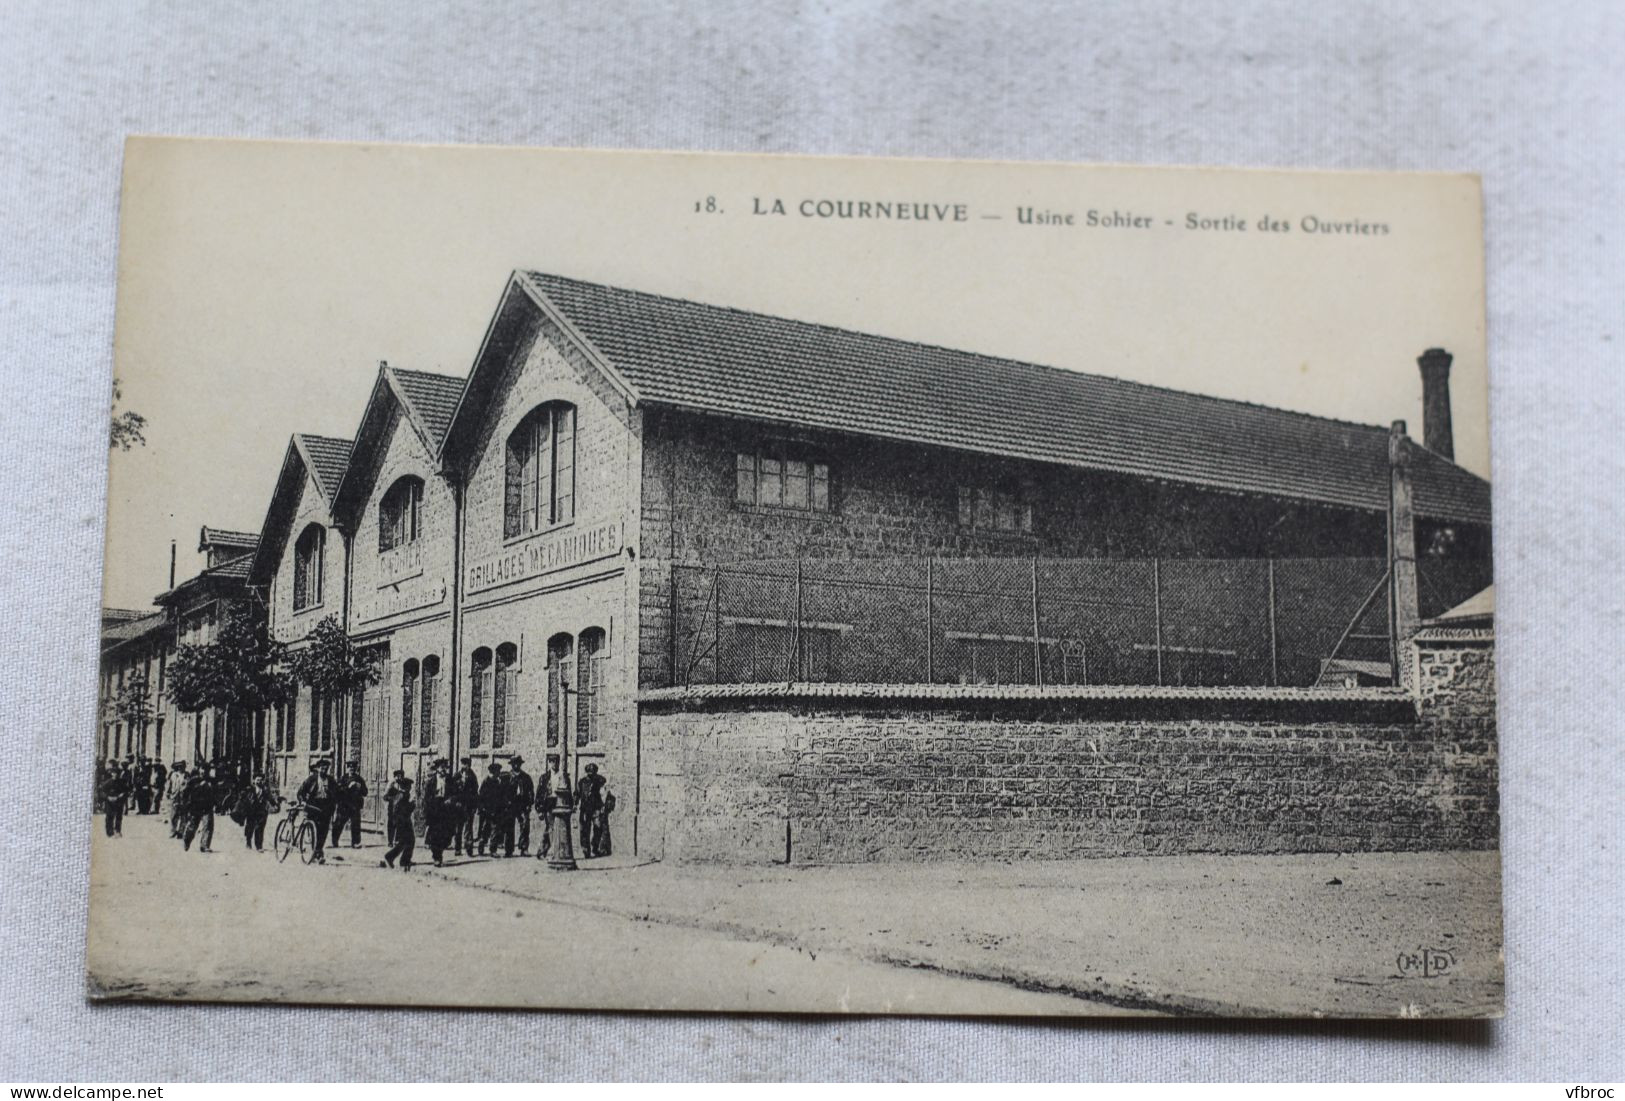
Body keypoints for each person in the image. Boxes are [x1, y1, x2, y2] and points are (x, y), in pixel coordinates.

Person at [295, 758, 339, 863]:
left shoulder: (331, 780)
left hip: (326, 807)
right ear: (318, 769)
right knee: (315, 829)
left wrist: (334, 804)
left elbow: (337, 794)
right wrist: (303, 801)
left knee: (323, 831)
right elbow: (300, 792)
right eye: (322, 769)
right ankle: (317, 852)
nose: (324, 771)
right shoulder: (311, 779)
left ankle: (318, 851)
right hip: (313, 805)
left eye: (326, 769)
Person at [422, 758, 458, 866]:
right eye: (442, 767)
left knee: (446, 835)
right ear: (437, 769)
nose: (444, 770)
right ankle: (437, 857)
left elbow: (456, 793)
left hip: (447, 810)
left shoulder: (450, 780)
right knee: (435, 835)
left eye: (445, 767)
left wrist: (451, 799)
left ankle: (440, 853)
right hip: (435, 810)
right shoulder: (431, 781)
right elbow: (426, 798)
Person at [332, 759, 368, 849]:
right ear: (347, 768)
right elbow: (338, 790)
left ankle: (355, 843)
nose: (352, 769)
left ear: (356, 769)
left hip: (355, 805)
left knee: (356, 824)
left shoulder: (359, 779)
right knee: (339, 823)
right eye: (350, 767)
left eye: (353, 767)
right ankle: (334, 841)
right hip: (344, 805)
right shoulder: (343, 778)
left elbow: (365, 792)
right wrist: (348, 787)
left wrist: (360, 788)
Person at [477, 762, 510, 857]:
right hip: (486, 811)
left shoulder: (498, 782)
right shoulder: (486, 781)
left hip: (496, 811)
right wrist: (482, 809)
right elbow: (481, 797)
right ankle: (481, 846)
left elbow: (501, 797)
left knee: (495, 830)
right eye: (497, 772)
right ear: (493, 772)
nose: (498, 774)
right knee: (485, 830)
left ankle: (493, 850)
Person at [382, 777, 416, 870]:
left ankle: (403, 860)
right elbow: (403, 810)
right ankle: (392, 858)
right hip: (403, 822)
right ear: (406, 787)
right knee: (408, 841)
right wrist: (412, 805)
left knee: (406, 842)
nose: (410, 788)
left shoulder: (399, 795)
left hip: (401, 822)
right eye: (409, 786)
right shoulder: (403, 796)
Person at [578, 762, 609, 858]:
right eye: (590, 773)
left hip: (596, 808)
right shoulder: (582, 782)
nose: (591, 775)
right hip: (585, 808)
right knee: (584, 830)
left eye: (593, 772)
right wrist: (575, 803)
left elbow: (604, 789)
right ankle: (586, 850)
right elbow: (577, 793)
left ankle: (594, 848)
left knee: (598, 828)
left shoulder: (599, 780)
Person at [534, 756, 564, 859]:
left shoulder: (563, 776)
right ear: (549, 763)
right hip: (548, 804)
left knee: (553, 828)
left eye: (556, 762)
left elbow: (568, 792)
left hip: (559, 802)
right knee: (552, 827)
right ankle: (555, 852)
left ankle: (542, 851)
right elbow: (539, 794)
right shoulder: (544, 777)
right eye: (552, 762)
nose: (554, 764)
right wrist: (539, 809)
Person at [180, 766, 215, 852]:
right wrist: (186, 805)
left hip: (207, 807)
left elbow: (215, 793)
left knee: (208, 825)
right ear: (199, 771)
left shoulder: (211, 781)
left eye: (205, 771)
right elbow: (185, 793)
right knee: (193, 826)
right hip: (196, 807)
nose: (203, 772)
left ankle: (205, 845)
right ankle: (186, 840)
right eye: (202, 770)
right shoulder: (193, 781)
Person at [240, 771, 275, 850]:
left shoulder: (265, 789)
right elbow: (243, 798)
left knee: (260, 828)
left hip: (261, 812)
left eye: (260, 780)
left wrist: (275, 804)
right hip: (251, 811)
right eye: (257, 780)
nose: (259, 781)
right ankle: (248, 842)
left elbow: (270, 798)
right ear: (254, 781)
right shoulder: (250, 789)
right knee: (250, 827)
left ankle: (259, 845)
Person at [508, 755, 535, 856]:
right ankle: (509, 849)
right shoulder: (507, 777)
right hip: (511, 805)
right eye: (514, 763)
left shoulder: (526, 777)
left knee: (525, 826)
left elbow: (531, 792)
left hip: (523, 804)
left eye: (518, 763)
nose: (516, 765)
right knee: (509, 827)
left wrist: (530, 803)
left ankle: (524, 848)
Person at [453, 757, 479, 856]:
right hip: (458, 806)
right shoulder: (456, 776)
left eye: (467, 764)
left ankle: (469, 849)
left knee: (468, 828)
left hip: (469, 806)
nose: (465, 766)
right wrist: (455, 802)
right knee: (458, 828)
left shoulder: (473, 776)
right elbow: (452, 790)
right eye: (464, 764)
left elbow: (475, 792)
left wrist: (474, 806)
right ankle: (457, 848)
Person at [99, 761, 130, 838]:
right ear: (111, 774)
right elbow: (101, 792)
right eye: (113, 773)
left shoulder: (122, 782)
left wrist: (122, 795)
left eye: (117, 773)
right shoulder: (107, 782)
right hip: (109, 802)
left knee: (119, 817)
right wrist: (107, 797)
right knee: (109, 817)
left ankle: (118, 831)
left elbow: (126, 791)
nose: (115, 775)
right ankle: (110, 832)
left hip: (119, 801)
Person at [383, 769, 408, 848]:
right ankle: (390, 841)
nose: (399, 778)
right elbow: (385, 797)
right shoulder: (391, 784)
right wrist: (394, 798)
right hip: (392, 808)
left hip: (400, 808)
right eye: (398, 776)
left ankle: (397, 840)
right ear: (395, 777)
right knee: (391, 824)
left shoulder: (403, 784)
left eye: (401, 776)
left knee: (400, 824)